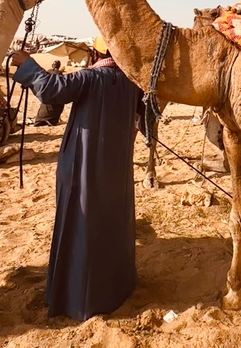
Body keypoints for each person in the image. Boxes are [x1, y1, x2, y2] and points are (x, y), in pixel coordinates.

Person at [11, 48, 142, 321]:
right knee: (113, 224)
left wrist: (27, 64)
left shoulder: (91, 78)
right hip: (116, 171)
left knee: (81, 224)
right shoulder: (132, 83)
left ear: (96, 53)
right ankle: (115, 289)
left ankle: (78, 298)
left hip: (83, 168)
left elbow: (49, 89)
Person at [33, 59, 64, 126]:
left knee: (46, 107)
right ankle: (51, 120)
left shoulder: (49, 71)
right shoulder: (59, 73)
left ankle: (42, 120)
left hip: (47, 93)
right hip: (55, 93)